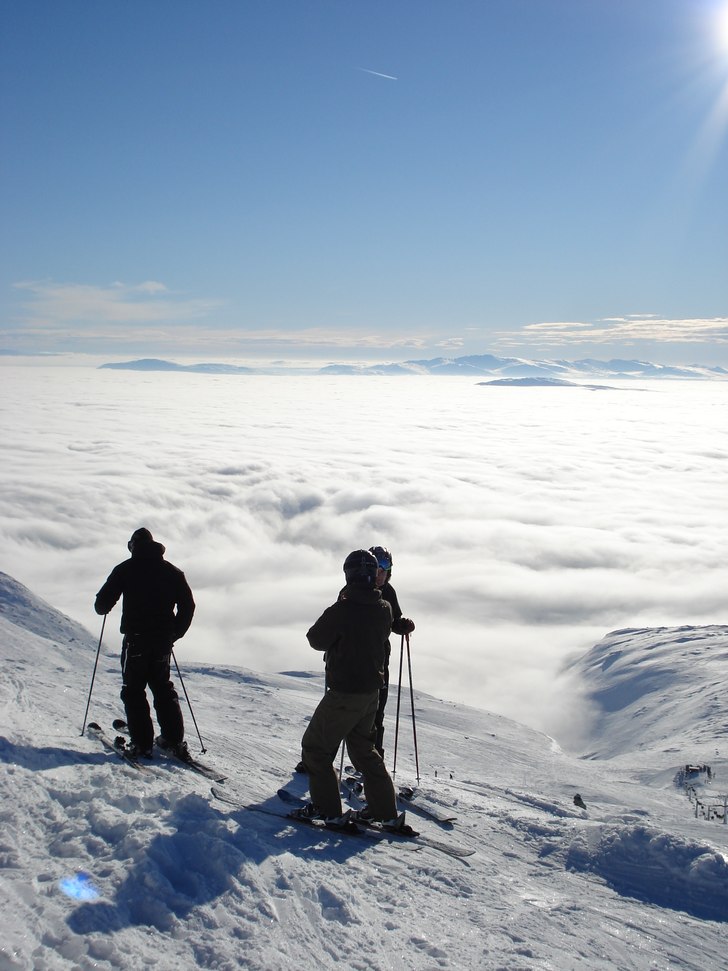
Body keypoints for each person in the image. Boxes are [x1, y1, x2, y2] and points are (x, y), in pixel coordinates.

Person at [295, 550, 410, 830]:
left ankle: (327, 809)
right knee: (363, 750)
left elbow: (316, 639)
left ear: (348, 575)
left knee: (315, 749)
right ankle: (385, 812)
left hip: (345, 691)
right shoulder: (383, 608)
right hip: (371, 690)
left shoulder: (342, 610)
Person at [94, 527, 195, 759]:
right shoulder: (172, 572)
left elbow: (101, 605)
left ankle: (142, 743)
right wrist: (174, 633)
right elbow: (188, 606)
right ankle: (172, 739)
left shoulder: (126, 569)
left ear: (133, 546)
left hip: (136, 640)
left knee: (133, 690)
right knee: (162, 687)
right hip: (162, 642)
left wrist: (105, 606)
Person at [367, 546, 415, 759]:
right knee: (344, 712)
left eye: (385, 568)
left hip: (379, 661)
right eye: (377, 567)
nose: (380, 573)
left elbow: (393, 621)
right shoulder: (354, 590)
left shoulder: (388, 592)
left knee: (377, 713)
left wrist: (402, 625)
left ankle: (375, 760)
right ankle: (321, 759)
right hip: (354, 660)